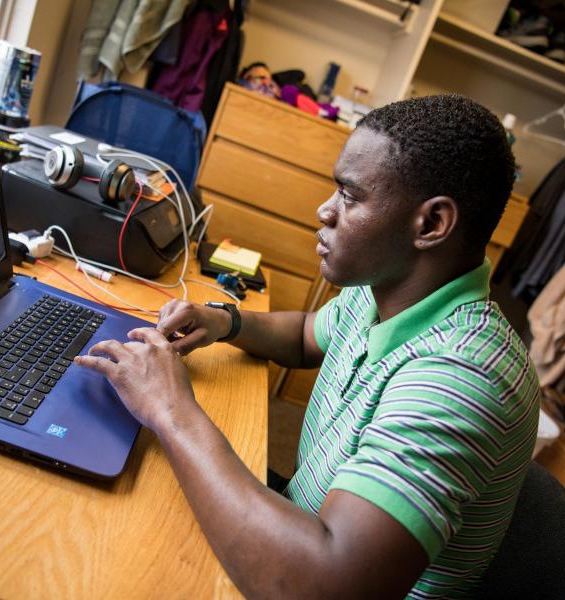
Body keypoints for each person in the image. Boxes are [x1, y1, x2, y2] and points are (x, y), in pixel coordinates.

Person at [74, 94, 540, 599]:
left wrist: (170, 408)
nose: (325, 209)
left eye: (350, 195)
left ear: (430, 225)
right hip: (301, 522)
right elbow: (303, 335)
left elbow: (324, 585)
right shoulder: (384, 290)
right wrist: (225, 322)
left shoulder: (461, 376)